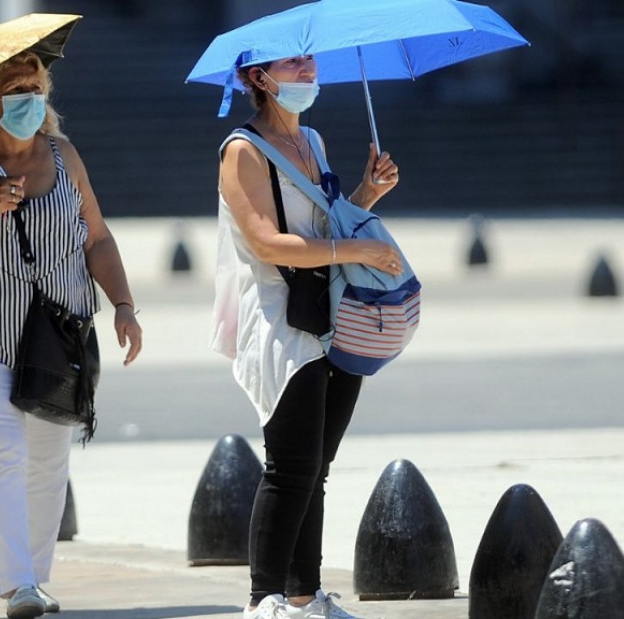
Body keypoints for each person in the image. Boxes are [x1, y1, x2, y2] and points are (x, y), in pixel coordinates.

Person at [0, 51, 143, 619]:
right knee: (6, 450)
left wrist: (123, 305)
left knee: (48, 460)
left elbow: (97, 238)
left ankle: (36, 580)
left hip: (58, 333)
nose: (30, 98)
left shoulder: (63, 156)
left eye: (36, 86)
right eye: (16, 88)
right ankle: (16, 584)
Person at [212, 54, 402, 619]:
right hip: (278, 316)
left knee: (316, 465)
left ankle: (304, 594)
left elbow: (321, 227)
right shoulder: (242, 150)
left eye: (309, 61)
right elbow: (267, 243)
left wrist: (366, 195)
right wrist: (360, 249)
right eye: (292, 64)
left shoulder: (312, 142)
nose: (307, 71)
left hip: (330, 310)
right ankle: (262, 598)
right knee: (289, 463)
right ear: (258, 78)